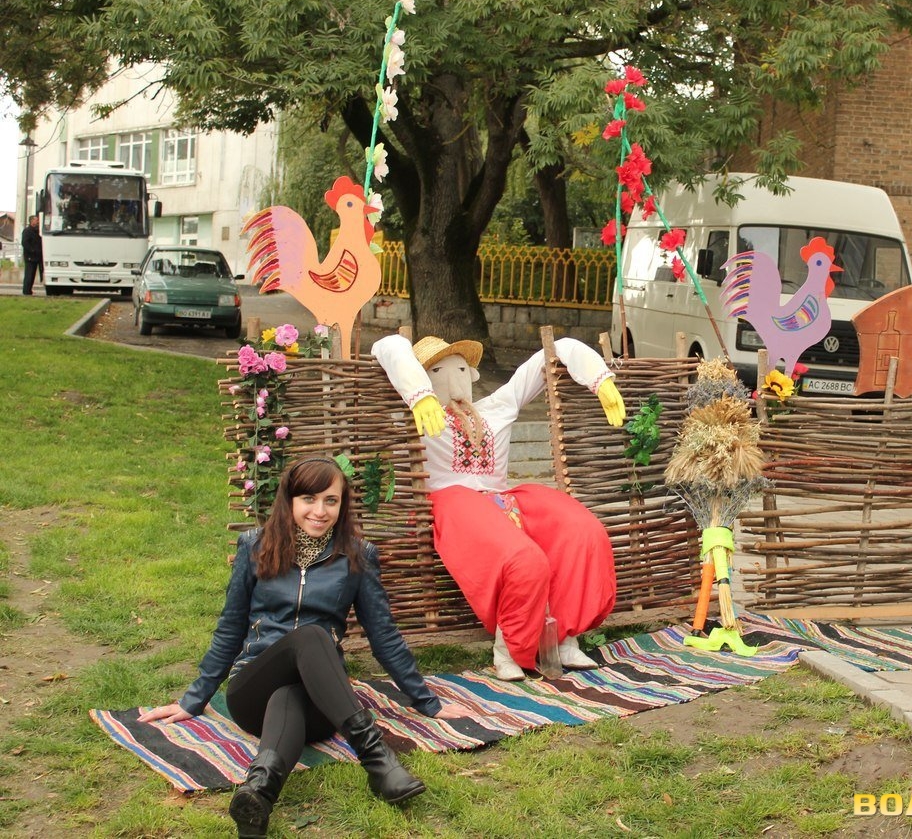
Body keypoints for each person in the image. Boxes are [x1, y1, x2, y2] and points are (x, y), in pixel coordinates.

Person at [139, 456, 468, 838]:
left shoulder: (358, 555)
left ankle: (257, 795)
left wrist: (428, 702)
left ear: (342, 504)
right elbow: (230, 628)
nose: (319, 511)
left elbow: (384, 635)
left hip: (321, 703)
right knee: (311, 636)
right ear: (290, 501)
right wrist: (193, 700)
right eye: (309, 499)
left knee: (291, 692)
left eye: (331, 500)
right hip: (253, 690)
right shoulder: (255, 546)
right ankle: (377, 760)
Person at [373, 334, 625, 681]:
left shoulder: (497, 406)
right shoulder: (420, 415)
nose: (453, 379)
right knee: (522, 558)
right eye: (437, 371)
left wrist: (599, 378)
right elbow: (387, 345)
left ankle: (565, 636)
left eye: (461, 369)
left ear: (473, 374)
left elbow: (555, 350)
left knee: (582, 531)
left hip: (502, 499)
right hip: (452, 502)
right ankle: (509, 648)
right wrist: (419, 395)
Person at [20, 215, 42, 296]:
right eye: (36, 220)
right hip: (30, 257)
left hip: (36, 257)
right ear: (31, 221)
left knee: (32, 275)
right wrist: (32, 250)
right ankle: (26, 290)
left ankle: (29, 290)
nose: (37, 222)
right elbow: (24, 243)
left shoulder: (37, 231)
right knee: (29, 274)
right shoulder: (27, 231)